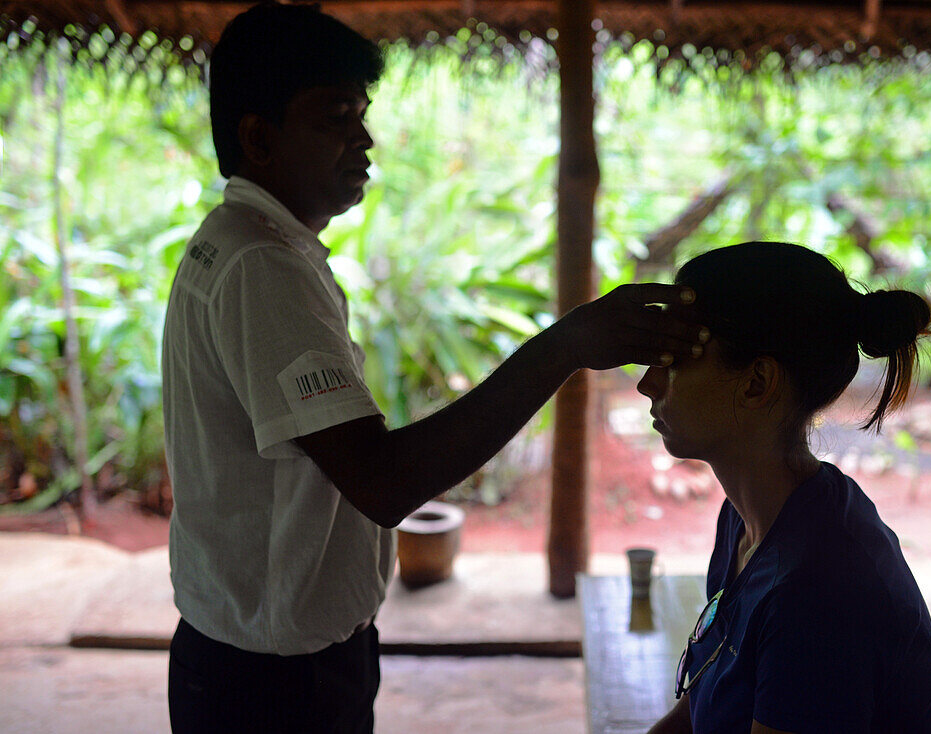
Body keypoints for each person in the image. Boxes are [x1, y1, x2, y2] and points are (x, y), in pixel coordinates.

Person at [161, 4, 708, 733]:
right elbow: (383, 481)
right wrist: (565, 347)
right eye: (336, 117)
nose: (364, 140)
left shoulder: (243, 243)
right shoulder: (262, 265)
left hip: (251, 653)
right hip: (274, 685)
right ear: (259, 137)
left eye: (363, 115)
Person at [640, 242, 931, 734]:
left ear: (757, 383)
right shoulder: (746, 518)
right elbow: (696, 712)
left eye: (674, 359)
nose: (648, 384)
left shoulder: (820, 593)